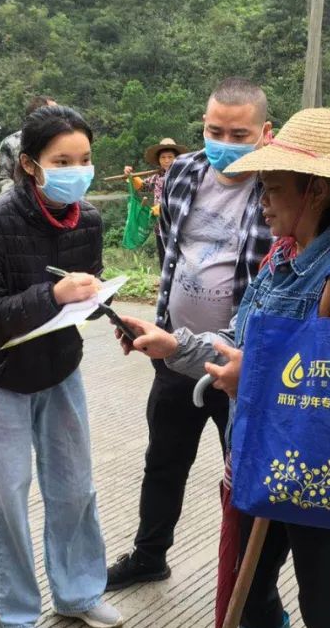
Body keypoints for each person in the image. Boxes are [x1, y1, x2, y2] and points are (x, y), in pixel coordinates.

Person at [115, 108, 330, 628]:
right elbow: (239, 344)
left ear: (314, 191)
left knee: (326, 607)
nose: (261, 202)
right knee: (249, 581)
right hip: (258, 456)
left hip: (324, 476)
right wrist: (175, 346)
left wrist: (261, 375)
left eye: (272, 188)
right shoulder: (281, 256)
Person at [0, 105, 122, 628]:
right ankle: (12, 612)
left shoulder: (88, 220)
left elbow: (88, 288)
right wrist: (52, 295)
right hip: (0, 377)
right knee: (4, 496)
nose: (77, 172)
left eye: (84, 160)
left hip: (59, 370)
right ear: (30, 165)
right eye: (62, 162)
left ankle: (79, 593)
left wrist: (99, 300)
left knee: (74, 486)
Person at [107, 78, 273, 591]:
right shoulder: (182, 171)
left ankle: (246, 578)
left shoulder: (277, 185)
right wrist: (160, 327)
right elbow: (170, 250)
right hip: (174, 352)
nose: (225, 143)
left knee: (242, 471)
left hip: (238, 363)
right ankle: (149, 555)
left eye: (239, 135)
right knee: (163, 461)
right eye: (215, 131)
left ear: (265, 132)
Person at [0, 95, 57, 197]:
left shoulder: (63, 143)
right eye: (55, 114)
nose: (60, 118)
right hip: (21, 204)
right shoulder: (11, 143)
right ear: (38, 117)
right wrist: (23, 196)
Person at [122, 137, 188, 211]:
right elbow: (143, 187)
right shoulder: (158, 177)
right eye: (163, 157)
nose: (166, 160)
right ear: (159, 160)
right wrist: (131, 175)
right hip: (159, 217)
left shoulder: (183, 176)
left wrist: (161, 208)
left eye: (170, 157)